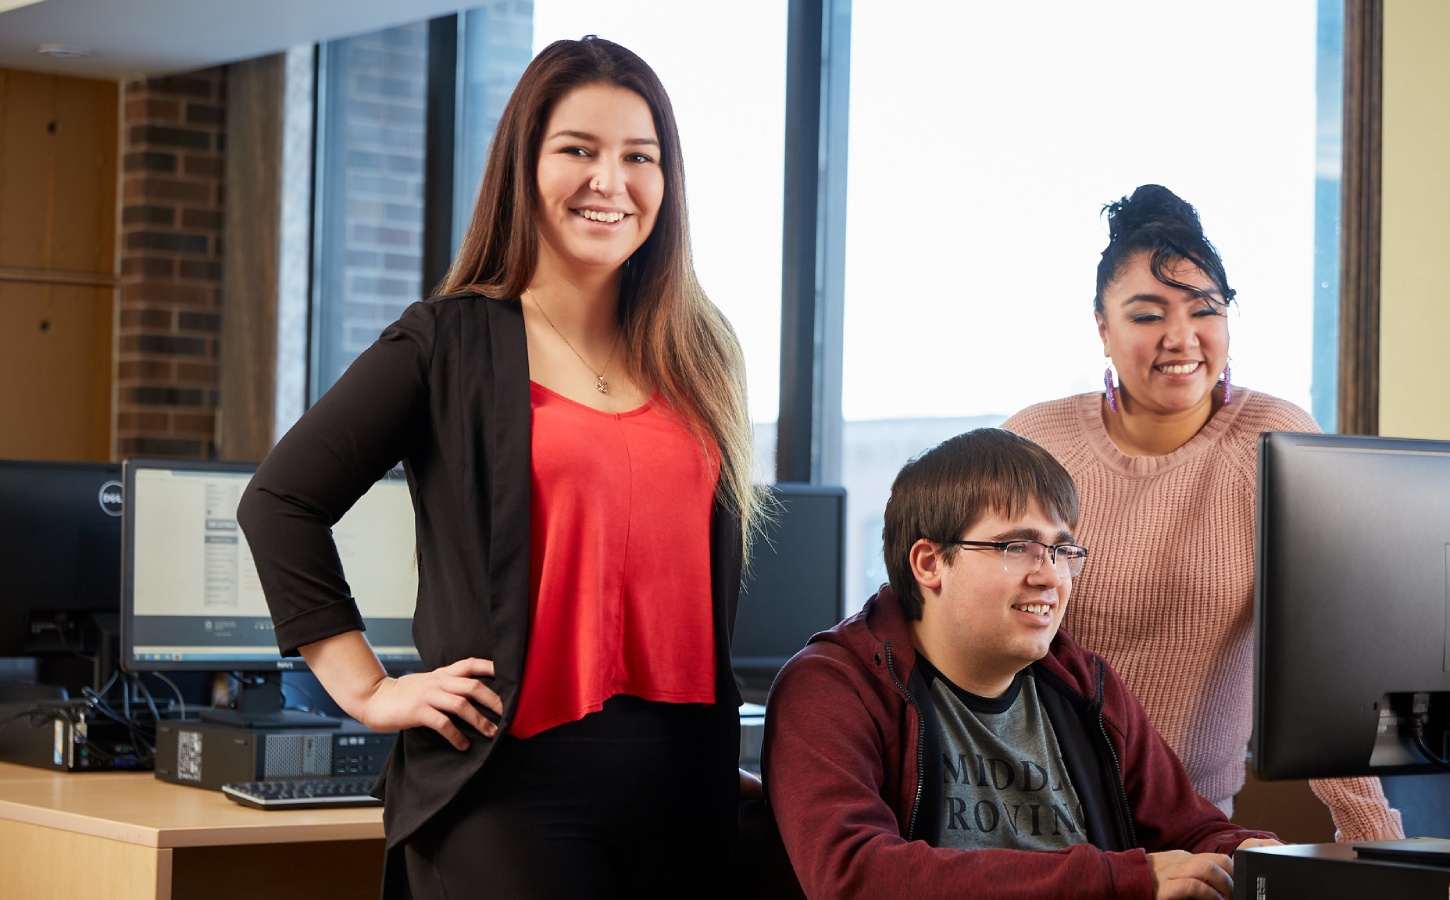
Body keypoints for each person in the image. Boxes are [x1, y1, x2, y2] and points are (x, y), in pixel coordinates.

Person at [236, 36, 762, 899]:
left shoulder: (702, 355)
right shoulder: (445, 343)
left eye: (640, 156)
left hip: (683, 790)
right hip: (505, 788)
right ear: (525, 164)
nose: (611, 182)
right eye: (578, 150)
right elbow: (280, 502)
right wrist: (368, 691)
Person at [1003, 184, 1403, 842]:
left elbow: (1325, 660)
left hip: (1189, 831)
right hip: (1019, 820)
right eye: (1146, 314)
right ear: (1102, 327)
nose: (1180, 337)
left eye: (1204, 309)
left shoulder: (1275, 441)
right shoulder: (1035, 443)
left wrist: (1380, 848)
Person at [761, 428, 1282, 899]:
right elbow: (854, 877)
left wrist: (1263, 859)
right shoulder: (832, 688)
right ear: (928, 563)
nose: (1050, 576)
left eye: (1061, 550)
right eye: (1018, 547)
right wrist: (1122, 881)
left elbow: (1192, 831)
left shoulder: (1083, 684)